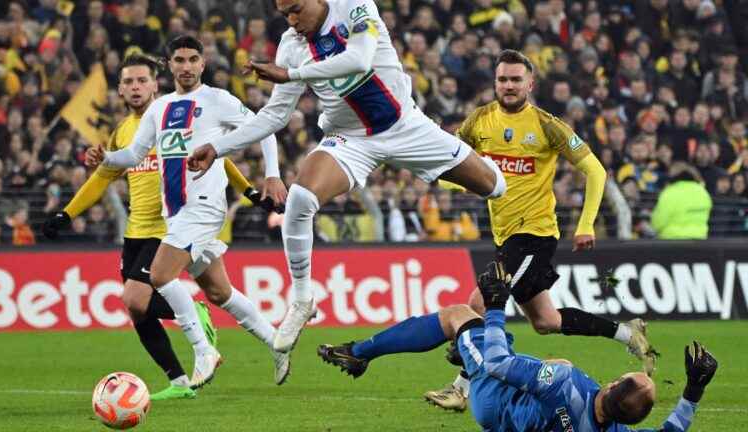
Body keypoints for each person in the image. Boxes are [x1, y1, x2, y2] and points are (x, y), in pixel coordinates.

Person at [187, 0, 507, 355]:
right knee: (300, 199)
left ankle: (454, 179)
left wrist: (292, 75)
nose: (292, 21)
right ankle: (303, 298)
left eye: (296, 10)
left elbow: (359, 59)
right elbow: (275, 116)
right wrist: (218, 147)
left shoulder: (354, 6)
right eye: (284, 15)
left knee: (496, 186)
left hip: (406, 127)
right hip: (351, 139)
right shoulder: (292, 45)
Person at [423, 49, 657, 412]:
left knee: (479, 302)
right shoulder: (478, 121)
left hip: (535, 233)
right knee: (547, 321)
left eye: (516, 79)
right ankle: (628, 333)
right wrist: (443, 179)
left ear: (530, 83)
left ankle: (461, 390)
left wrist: (585, 224)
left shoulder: (548, 125)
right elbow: (455, 167)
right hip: (505, 236)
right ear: (495, 82)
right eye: (503, 79)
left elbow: (595, 171)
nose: (509, 85)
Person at [42, 54, 282, 399]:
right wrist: (67, 213)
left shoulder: (173, 116)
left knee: (136, 297)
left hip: (173, 224)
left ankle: (199, 331)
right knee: (215, 293)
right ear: (120, 89)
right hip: (135, 229)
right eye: (128, 82)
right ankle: (184, 379)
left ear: (156, 84)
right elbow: (103, 176)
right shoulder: (124, 132)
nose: (135, 87)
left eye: (142, 80)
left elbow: (218, 156)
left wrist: (249, 190)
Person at [318, 261, 718, 431]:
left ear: (612, 387)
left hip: (494, 398)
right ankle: (462, 371)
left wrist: (495, 307)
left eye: (623, 377)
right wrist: (693, 391)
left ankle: (361, 353)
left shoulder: (565, 382)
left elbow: (497, 364)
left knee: (461, 316)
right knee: (540, 351)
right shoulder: (612, 427)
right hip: (515, 419)